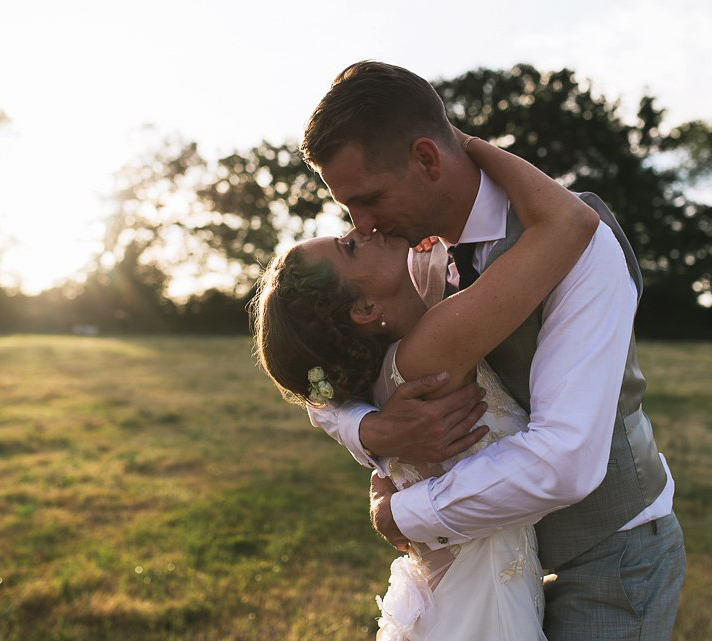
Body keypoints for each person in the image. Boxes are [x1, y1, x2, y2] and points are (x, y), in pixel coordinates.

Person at [298, 61, 685, 641]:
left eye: (370, 198)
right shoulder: (399, 258)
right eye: (350, 208)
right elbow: (321, 365)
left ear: (428, 160)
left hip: (612, 553)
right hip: (499, 564)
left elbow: (566, 461)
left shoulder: (579, 241)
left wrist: (401, 514)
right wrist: (372, 430)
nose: (363, 225)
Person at [254, 126, 598, 640]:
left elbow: (319, 395)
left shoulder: (382, 364)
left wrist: (364, 430)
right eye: (350, 247)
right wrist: (463, 143)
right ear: (365, 308)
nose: (363, 229)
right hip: (479, 611)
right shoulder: (430, 351)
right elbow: (569, 222)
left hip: (462, 592)